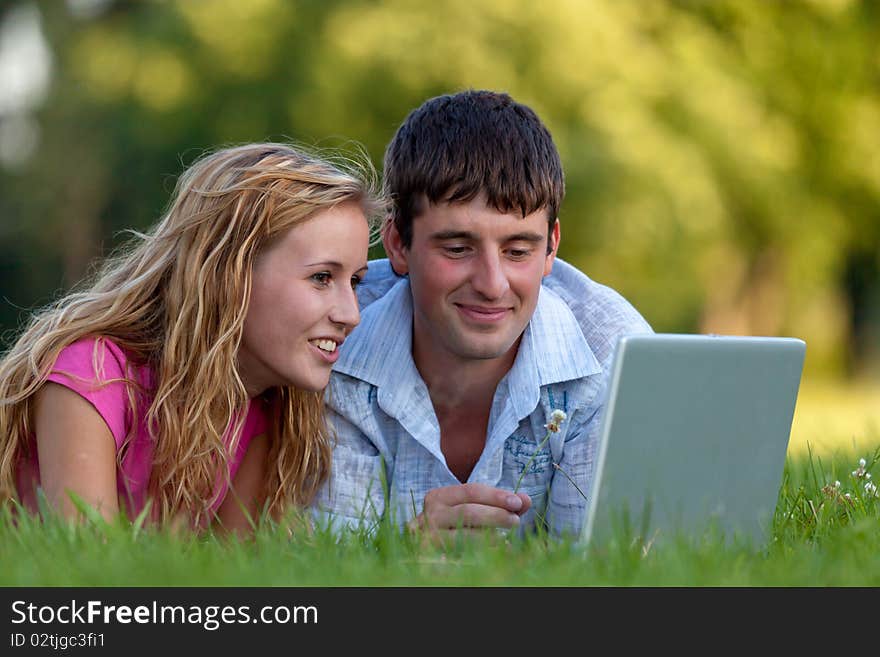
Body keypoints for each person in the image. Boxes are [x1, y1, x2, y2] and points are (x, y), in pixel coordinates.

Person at [312, 90, 653, 542]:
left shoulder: (615, 352)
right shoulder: (334, 333)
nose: (493, 284)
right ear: (397, 243)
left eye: (518, 250)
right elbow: (327, 558)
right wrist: (400, 550)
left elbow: (609, 566)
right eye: (457, 248)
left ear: (551, 246)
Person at [0, 142, 380, 533]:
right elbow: (90, 575)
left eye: (355, 281)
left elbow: (236, 576)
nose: (351, 314)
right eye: (321, 278)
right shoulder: (93, 374)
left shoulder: (263, 408)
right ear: (227, 274)